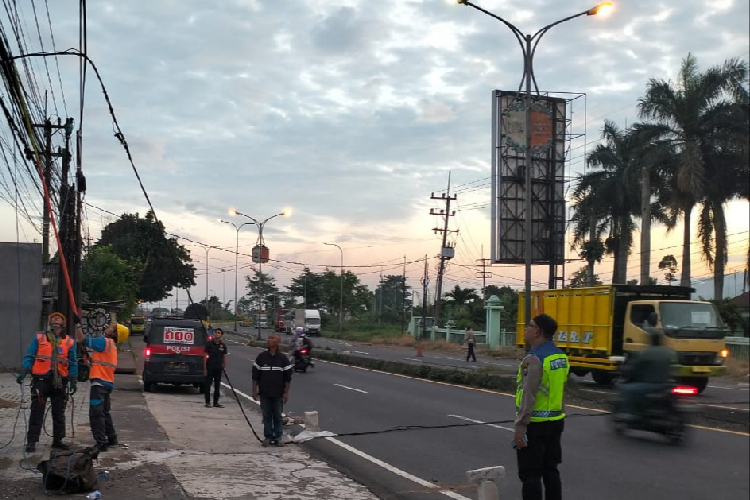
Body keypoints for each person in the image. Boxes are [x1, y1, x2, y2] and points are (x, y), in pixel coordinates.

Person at [515, 314, 569, 500]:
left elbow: (528, 396)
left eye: (529, 326)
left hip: (535, 424)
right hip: (556, 421)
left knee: (530, 475)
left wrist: (521, 427)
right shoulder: (560, 357)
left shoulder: (534, 359)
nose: (526, 329)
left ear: (537, 331)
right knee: (551, 471)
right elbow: (561, 390)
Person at [17, 312, 78, 452]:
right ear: (50, 323)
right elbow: (30, 355)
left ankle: (58, 440)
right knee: (37, 411)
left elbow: (73, 362)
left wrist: (73, 380)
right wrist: (24, 371)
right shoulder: (39, 337)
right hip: (41, 380)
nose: (56, 319)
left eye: (59, 318)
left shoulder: (69, 341)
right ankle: (32, 441)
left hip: (60, 381)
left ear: (63, 324)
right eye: (53, 318)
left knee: (58, 412)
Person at [618, 312, 677, 417]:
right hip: (666, 384)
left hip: (651, 384)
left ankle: (632, 414)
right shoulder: (669, 351)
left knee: (626, 389)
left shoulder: (646, 352)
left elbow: (635, 366)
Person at [75, 319, 121, 451]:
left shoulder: (104, 342)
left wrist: (78, 325)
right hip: (107, 383)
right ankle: (112, 438)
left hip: (99, 383)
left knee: (96, 414)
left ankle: (101, 442)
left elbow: (83, 340)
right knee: (104, 412)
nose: (108, 328)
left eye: (111, 328)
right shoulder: (111, 345)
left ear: (113, 333)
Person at [251, 333, 292, 447]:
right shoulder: (261, 357)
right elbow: (255, 376)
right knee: (267, 416)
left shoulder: (283, 359)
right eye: (268, 338)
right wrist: (254, 391)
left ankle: (278, 437)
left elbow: (288, 378)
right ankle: (268, 437)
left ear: (277, 343)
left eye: (272, 338)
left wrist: (286, 393)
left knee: (278, 416)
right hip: (264, 392)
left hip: (278, 393)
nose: (269, 340)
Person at [204, 327, 228, 408]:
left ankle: (215, 402)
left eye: (219, 333)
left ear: (221, 335)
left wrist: (223, 368)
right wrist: (205, 368)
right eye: (216, 332)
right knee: (208, 385)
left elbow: (224, 357)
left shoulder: (223, 346)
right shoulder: (209, 344)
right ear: (214, 334)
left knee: (217, 386)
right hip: (210, 367)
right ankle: (207, 402)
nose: (217, 334)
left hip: (218, 368)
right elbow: (205, 356)